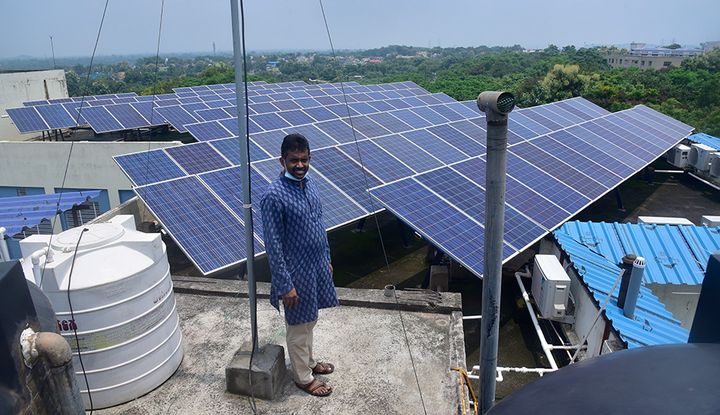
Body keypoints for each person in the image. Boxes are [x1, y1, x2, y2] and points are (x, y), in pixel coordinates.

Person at [259, 133, 339, 397]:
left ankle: (310, 361)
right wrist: (285, 285)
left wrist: (325, 257)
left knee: (310, 320)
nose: (300, 165)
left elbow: (319, 222)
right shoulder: (274, 196)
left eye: (304, 159)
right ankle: (303, 377)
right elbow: (273, 245)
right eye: (294, 160)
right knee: (298, 326)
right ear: (282, 161)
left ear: (309, 158)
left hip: (316, 266)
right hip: (296, 274)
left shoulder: (310, 183)